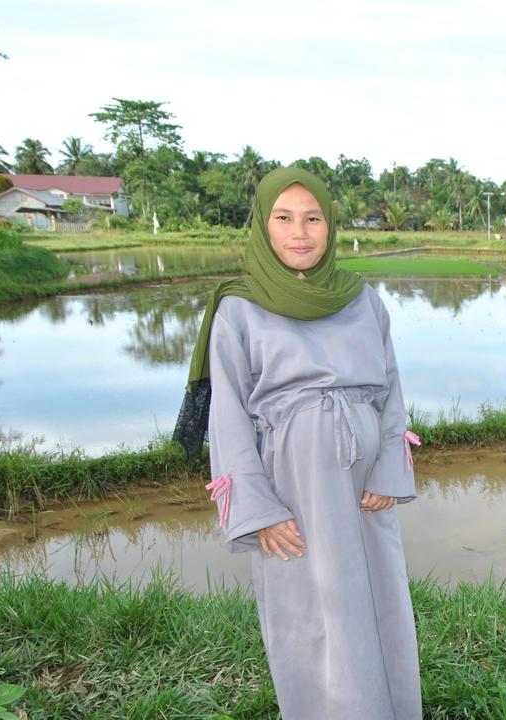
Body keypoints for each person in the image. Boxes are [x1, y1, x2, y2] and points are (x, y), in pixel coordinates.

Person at [174, 167, 422, 718]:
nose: (300, 231)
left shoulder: (363, 301)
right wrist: (258, 509)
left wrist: (389, 469)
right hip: (293, 489)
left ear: (331, 226)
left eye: (313, 218)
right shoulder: (237, 309)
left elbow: (391, 392)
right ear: (263, 227)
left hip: (363, 487)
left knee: (377, 600)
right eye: (283, 218)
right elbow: (230, 416)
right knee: (309, 607)